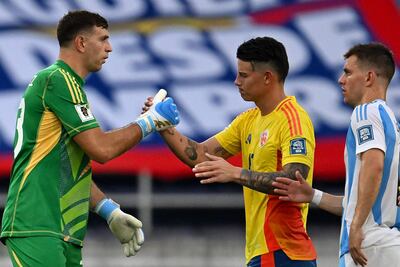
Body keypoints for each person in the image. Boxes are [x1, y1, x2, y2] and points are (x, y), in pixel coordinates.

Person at [0, 10, 179, 267]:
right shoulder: (58, 79)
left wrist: (108, 210)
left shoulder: (66, 85)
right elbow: (101, 150)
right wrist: (150, 122)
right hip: (37, 223)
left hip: (62, 229)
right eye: (103, 39)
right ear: (81, 43)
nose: (110, 48)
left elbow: (66, 166)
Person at [144, 36, 317, 266]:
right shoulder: (247, 120)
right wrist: (162, 125)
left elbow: (295, 180)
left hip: (283, 251)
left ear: (267, 77)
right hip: (262, 252)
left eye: (244, 75)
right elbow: (201, 156)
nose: (236, 81)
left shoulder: (293, 119)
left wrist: (235, 173)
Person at [272, 43, 400, 267]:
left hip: (368, 245)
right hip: (384, 244)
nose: (341, 80)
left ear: (369, 77)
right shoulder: (390, 121)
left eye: (348, 72)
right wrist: (313, 195)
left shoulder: (366, 112)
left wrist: (357, 227)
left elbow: (374, 166)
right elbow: (358, 202)